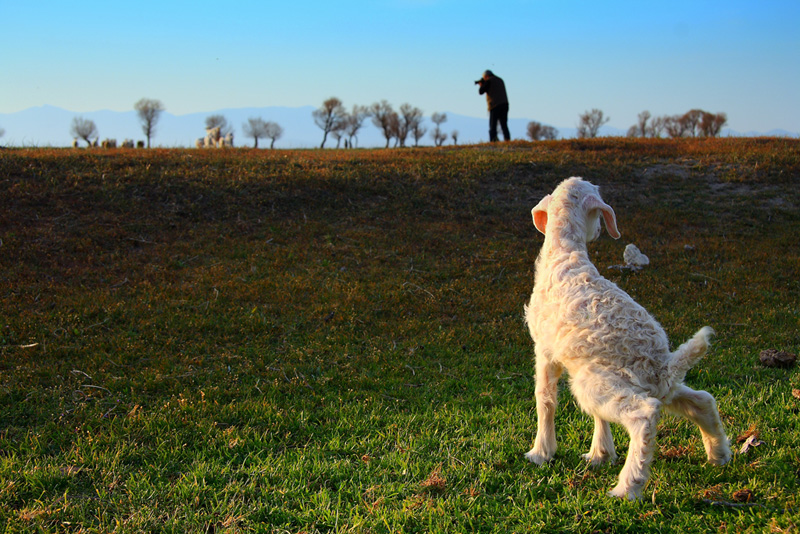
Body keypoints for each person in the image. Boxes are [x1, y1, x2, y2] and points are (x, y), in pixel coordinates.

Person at [476, 70, 510, 142]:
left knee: (493, 125)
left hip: (494, 105)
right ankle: (507, 140)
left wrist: (482, 85)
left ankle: (493, 141)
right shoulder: (500, 80)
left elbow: (481, 91)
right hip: (505, 104)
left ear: (486, 76)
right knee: (504, 124)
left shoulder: (489, 81)